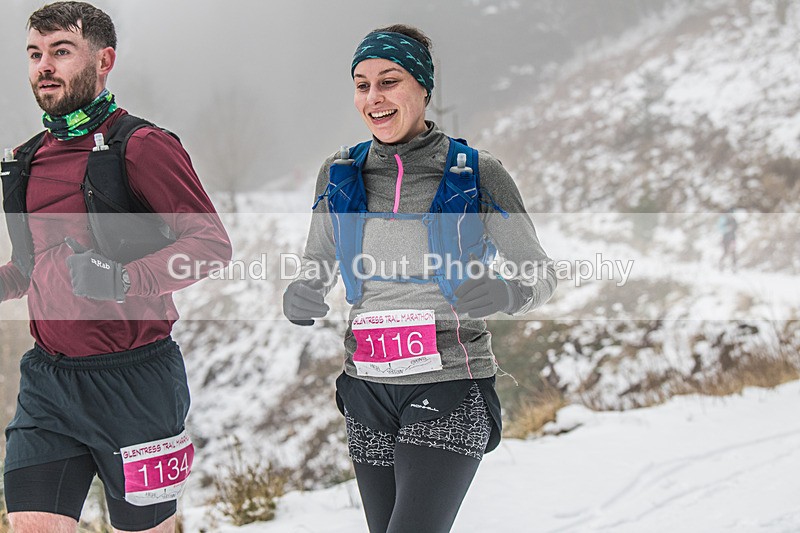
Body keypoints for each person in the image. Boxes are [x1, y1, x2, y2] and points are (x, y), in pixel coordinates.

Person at [283, 24, 556, 533]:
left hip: (450, 382)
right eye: (362, 85)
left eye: (389, 81)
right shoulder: (339, 173)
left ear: (423, 88)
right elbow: (315, 264)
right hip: (366, 390)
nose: (374, 97)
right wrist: (301, 292)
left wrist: (507, 290)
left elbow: (541, 271)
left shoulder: (476, 173)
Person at [0, 3, 231, 532]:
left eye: (61, 51)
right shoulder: (27, 158)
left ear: (104, 60)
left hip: (137, 382)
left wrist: (126, 278)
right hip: (49, 383)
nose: (44, 66)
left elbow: (212, 244)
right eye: (35, 54)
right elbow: (28, 269)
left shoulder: (144, 147)